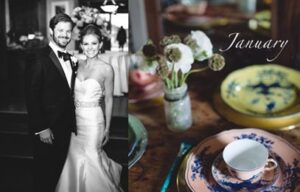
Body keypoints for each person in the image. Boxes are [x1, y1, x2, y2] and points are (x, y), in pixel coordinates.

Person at [55, 24, 123, 192]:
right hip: (75, 120)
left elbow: (108, 100)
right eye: (86, 44)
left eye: (93, 43)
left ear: (100, 44)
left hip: (94, 121)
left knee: (92, 155)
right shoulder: (76, 65)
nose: (90, 48)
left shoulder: (106, 69)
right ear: (81, 45)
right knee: (75, 157)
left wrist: (107, 128)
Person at [25, 13, 77, 192]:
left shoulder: (70, 57)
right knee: (44, 173)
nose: (64, 35)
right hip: (47, 128)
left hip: (65, 125)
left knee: (58, 172)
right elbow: (31, 95)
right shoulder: (38, 57)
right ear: (51, 31)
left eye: (68, 31)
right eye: (60, 30)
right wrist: (41, 128)